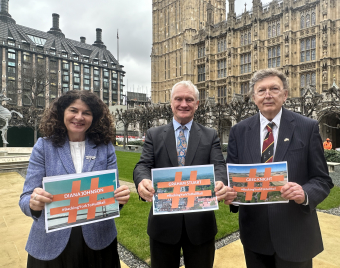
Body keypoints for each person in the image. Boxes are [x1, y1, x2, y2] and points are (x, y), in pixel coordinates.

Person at [225, 69, 334, 268]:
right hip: (255, 237)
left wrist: (305, 193)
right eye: (261, 90)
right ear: (253, 97)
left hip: (295, 235)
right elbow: (231, 177)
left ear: (284, 94)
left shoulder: (307, 127)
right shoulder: (239, 131)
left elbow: (322, 179)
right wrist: (230, 194)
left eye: (274, 89)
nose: (268, 95)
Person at [19, 90, 130, 268]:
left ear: (94, 118)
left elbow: (112, 195)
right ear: (62, 112)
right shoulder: (43, 146)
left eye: (86, 113)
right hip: (52, 242)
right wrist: (33, 203)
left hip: (98, 241)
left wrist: (120, 198)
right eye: (73, 110)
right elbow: (25, 198)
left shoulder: (105, 147)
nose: (79, 117)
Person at [133, 80, 232, 268]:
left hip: (200, 225)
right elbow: (142, 165)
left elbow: (219, 165)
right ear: (171, 103)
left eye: (189, 99)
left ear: (197, 104)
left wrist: (220, 181)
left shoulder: (210, 135)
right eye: (178, 99)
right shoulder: (154, 134)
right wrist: (142, 180)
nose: (183, 104)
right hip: (163, 225)